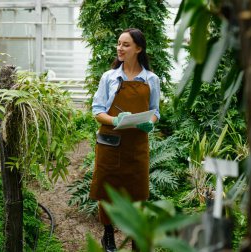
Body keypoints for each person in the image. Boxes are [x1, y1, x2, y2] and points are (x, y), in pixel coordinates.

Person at [89, 28, 160, 252]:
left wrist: (151, 121)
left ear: (138, 48)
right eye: (119, 43)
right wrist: (115, 119)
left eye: (126, 44)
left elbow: (155, 110)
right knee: (107, 191)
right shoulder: (109, 77)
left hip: (137, 144)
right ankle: (108, 234)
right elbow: (97, 111)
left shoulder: (151, 79)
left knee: (138, 193)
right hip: (110, 142)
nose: (120, 48)